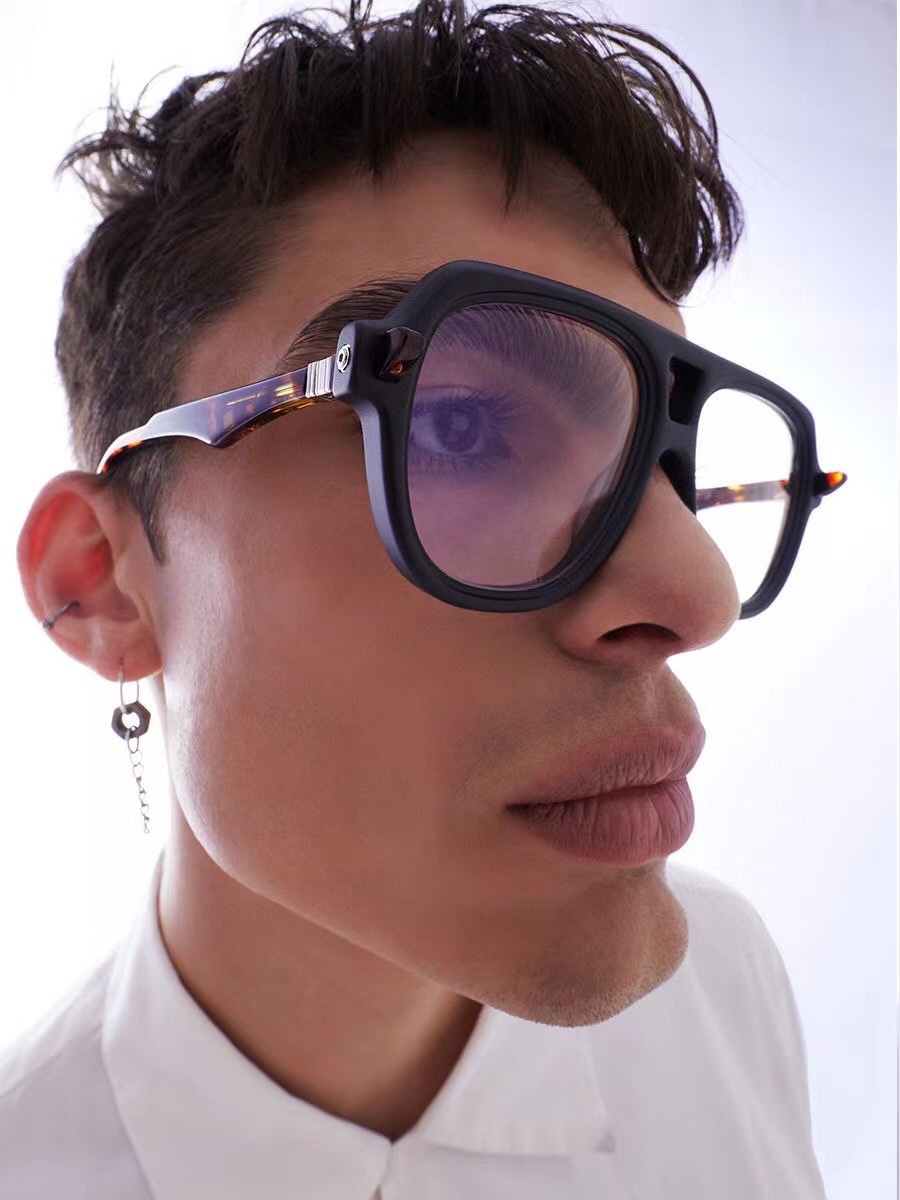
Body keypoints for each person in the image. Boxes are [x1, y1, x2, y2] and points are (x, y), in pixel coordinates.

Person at [4, 2, 839, 1195]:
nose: (698, 593)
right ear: (100, 584)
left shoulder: (725, 985)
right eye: (463, 426)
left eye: (666, 465)